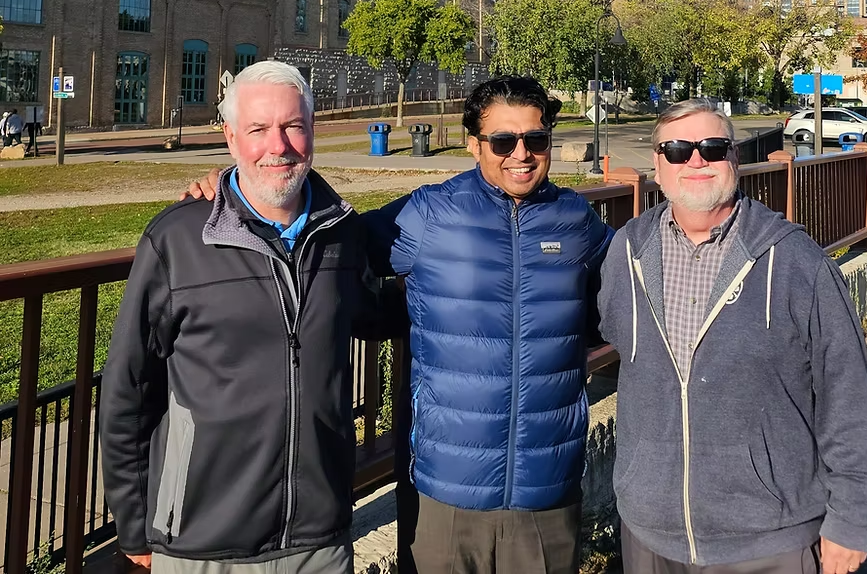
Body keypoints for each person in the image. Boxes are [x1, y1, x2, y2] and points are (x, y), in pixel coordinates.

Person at [183, 75, 612, 574]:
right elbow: (329, 242)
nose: (521, 154)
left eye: (535, 139)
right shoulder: (429, 213)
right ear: (474, 145)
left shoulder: (575, 218)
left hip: (548, 487)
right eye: (502, 141)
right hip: (444, 489)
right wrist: (234, 185)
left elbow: (624, 288)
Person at [100, 61, 404, 574]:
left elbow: (374, 312)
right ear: (231, 137)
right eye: (258, 129)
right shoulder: (178, 239)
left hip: (319, 538)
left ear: (313, 130)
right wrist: (134, 524)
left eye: (293, 126)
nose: (277, 146)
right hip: (202, 541)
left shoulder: (341, 233)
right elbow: (128, 389)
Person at [598, 98, 867, 574]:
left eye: (713, 147)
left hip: (767, 537)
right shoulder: (627, 251)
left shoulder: (795, 260)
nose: (696, 161)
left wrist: (852, 519)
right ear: (658, 163)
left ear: (734, 157)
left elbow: (847, 393)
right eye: (678, 150)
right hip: (650, 533)